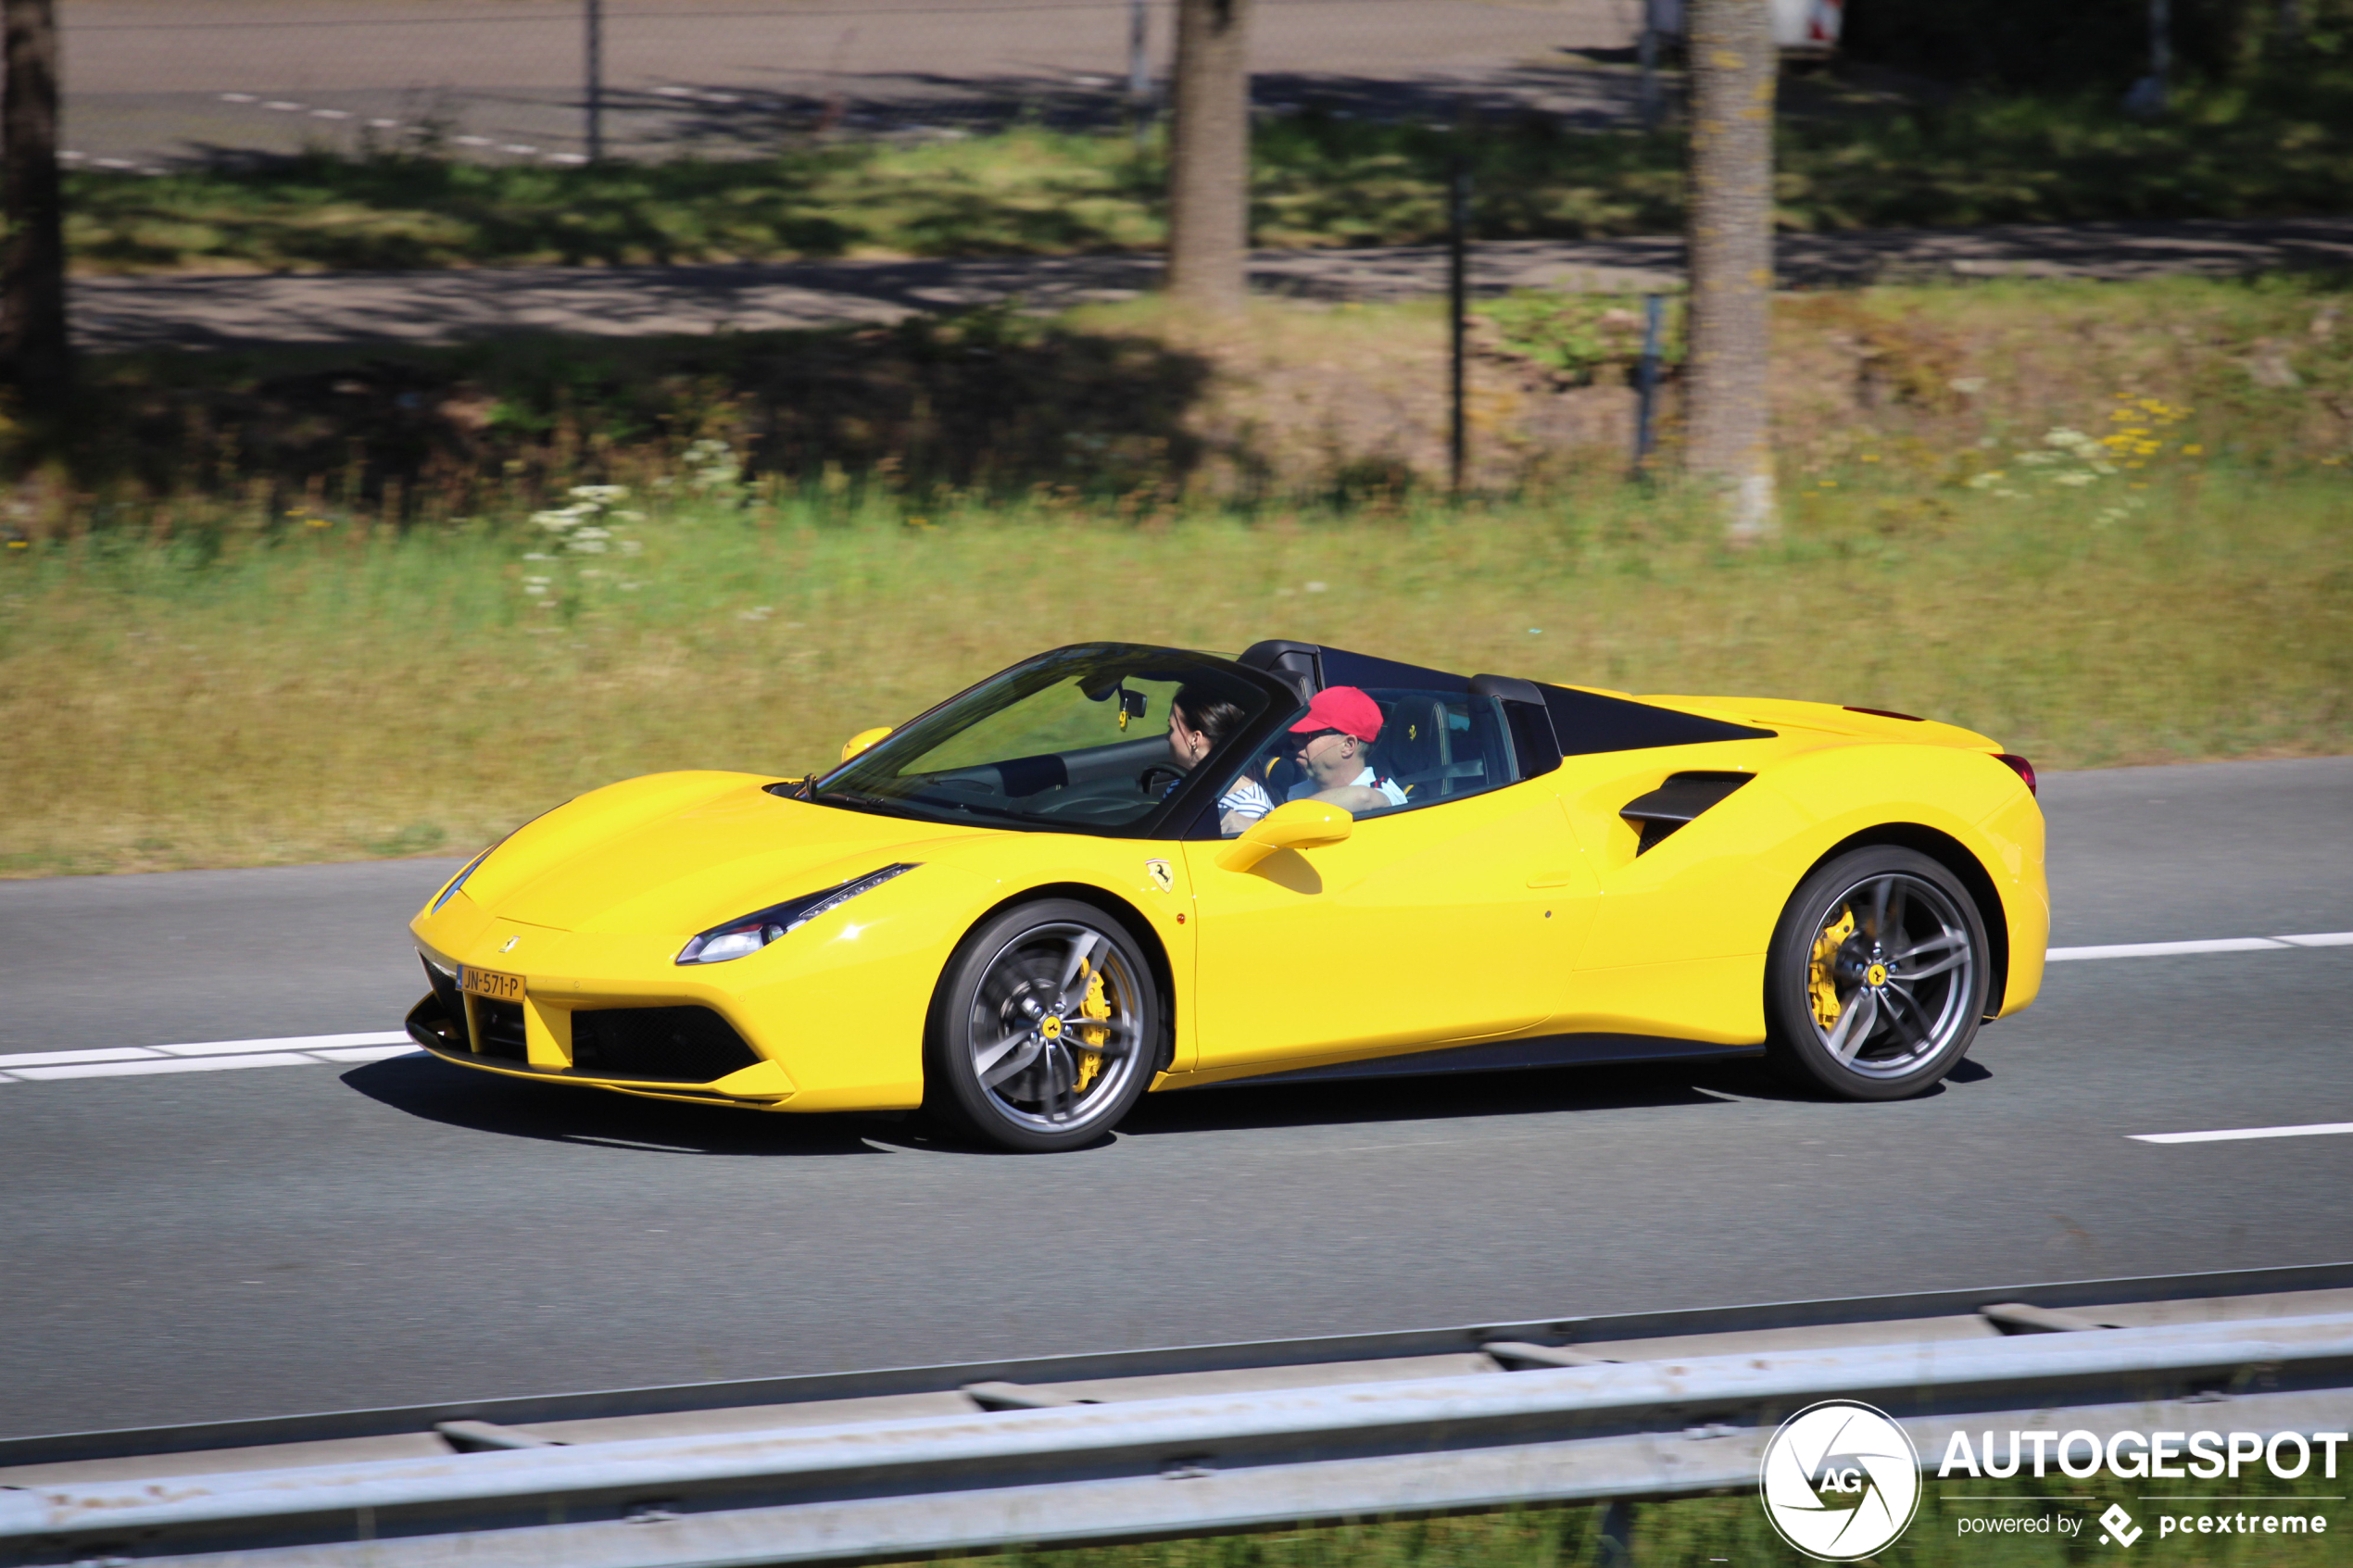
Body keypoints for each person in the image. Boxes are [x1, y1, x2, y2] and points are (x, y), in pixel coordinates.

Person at [1166, 684, 1275, 834]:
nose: (1167, 737)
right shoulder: (1180, 786)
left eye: (1171, 728)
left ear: (1195, 739)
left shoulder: (1248, 810)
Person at [1284, 685, 1407, 815]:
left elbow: (1363, 797)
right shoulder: (1298, 792)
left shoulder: (1385, 792)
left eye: (1308, 734)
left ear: (1348, 746)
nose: (1295, 740)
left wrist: (1288, 815)